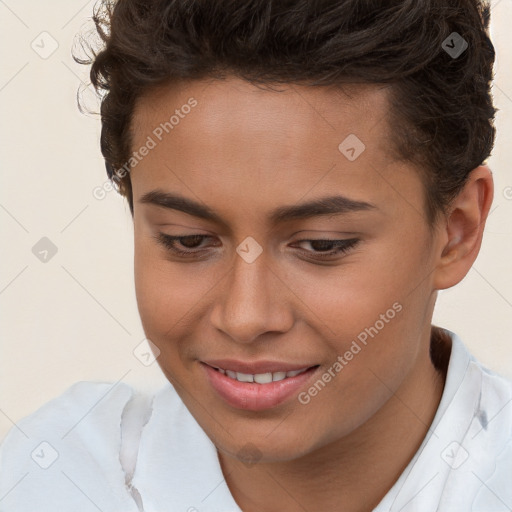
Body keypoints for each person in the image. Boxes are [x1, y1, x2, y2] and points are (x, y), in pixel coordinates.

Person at [1, 0, 511, 511]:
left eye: (321, 246)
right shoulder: (48, 481)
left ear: (457, 232)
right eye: (187, 240)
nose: (245, 318)